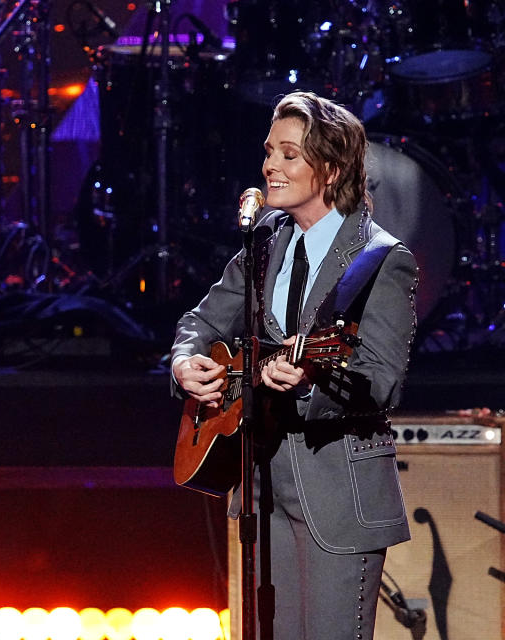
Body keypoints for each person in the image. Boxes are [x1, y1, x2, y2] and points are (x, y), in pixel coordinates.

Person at [170, 91, 417, 639]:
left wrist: (311, 383)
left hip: (338, 491)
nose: (269, 167)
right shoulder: (264, 243)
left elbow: (382, 380)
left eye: (288, 154)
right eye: (268, 152)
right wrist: (187, 361)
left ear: (329, 169)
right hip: (262, 485)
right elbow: (202, 322)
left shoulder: (381, 259)